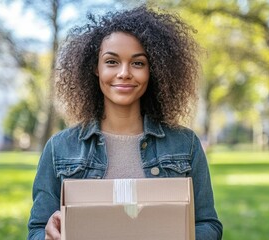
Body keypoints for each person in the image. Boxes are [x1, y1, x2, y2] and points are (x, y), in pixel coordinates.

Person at [27, 5, 223, 240]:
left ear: (154, 70)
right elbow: (37, 230)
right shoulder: (59, 148)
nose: (124, 73)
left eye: (138, 63)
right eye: (111, 62)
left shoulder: (185, 144)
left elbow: (208, 225)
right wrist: (48, 235)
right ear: (96, 68)